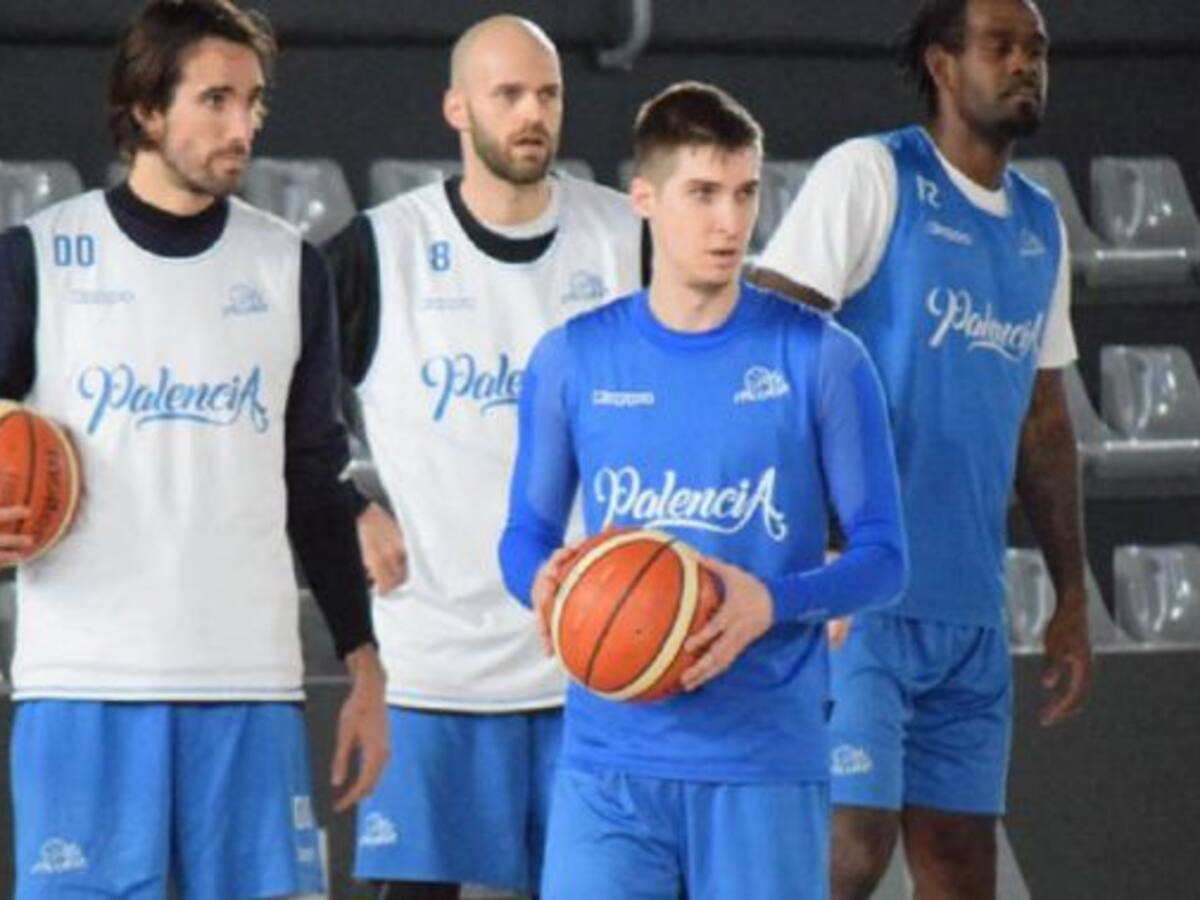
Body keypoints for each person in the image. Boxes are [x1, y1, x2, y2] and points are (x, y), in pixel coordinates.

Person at [0, 1, 388, 897]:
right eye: (215, 99)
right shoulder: (41, 260)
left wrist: (364, 666)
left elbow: (316, 482)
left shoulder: (290, 267)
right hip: (83, 683)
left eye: (253, 102)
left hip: (247, 684)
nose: (242, 125)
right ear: (146, 109)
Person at [498, 81, 908, 900]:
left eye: (745, 193)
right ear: (644, 198)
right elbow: (524, 536)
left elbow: (884, 559)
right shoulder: (571, 360)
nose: (730, 222)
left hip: (763, 760)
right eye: (703, 193)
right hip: (608, 764)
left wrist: (776, 600)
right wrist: (540, 584)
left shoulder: (823, 359)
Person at [752, 1, 1094, 897]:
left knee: (959, 868)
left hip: (967, 607)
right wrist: (813, 530)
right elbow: (761, 344)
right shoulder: (873, 174)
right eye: (1002, 47)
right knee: (849, 849)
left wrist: (1070, 591)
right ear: (944, 65)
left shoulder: (1040, 222)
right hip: (858, 594)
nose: (1025, 65)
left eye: (1037, 50)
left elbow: (1044, 421)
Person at [323, 15, 644, 899]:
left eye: (548, 93)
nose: (532, 112)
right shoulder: (379, 250)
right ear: (458, 108)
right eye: (508, 95)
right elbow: (269, 400)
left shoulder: (629, 241)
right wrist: (345, 502)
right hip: (433, 670)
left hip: (598, 662)